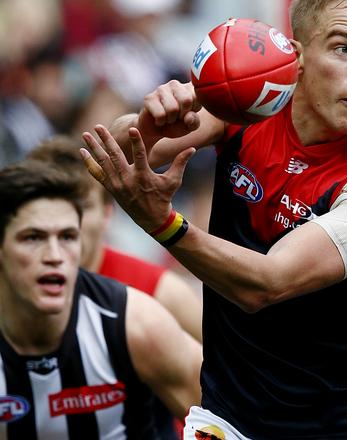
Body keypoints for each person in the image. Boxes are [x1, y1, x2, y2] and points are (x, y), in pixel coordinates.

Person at [81, 0, 347, 440]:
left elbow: (265, 285)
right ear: (296, 56)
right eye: (342, 48)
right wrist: (148, 123)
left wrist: (164, 224)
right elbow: (104, 155)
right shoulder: (253, 102)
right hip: (231, 416)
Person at [0, 159, 202, 439]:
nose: (55, 256)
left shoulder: (135, 322)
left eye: (68, 237)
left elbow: (228, 417)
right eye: (33, 238)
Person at [27, 135, 202, 342]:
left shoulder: (163, 294)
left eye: (82, 207)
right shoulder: (8, 287)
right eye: (51, 208)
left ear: (107, 213)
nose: (66, 223)